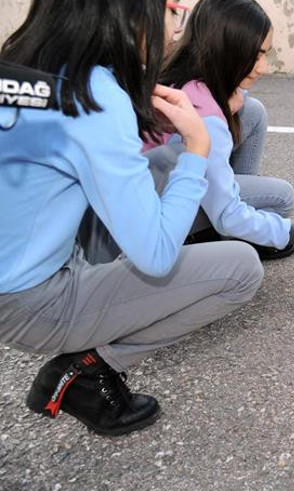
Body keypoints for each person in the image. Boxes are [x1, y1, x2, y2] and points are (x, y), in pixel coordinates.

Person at [0, 0, 265, 436]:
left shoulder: (23, 70)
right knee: (240, 269)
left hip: (23, 274)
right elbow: (157, 255)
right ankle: (88, 370)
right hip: (32, 302)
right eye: (173, 10)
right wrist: (196, 149)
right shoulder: (96, 96)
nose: (176, 30)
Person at [151, 0, 294, 265]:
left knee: (252, 110)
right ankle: (207, 236)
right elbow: (227, 213)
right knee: (282, 196)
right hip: (162, 209)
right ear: (227, 50)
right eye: (255, 56)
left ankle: (238, 223)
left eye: (265, 54)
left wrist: (232, 101)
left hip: (158, 180)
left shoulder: (182, 70)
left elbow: (236, 102)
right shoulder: (206, 117)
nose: (263, 67)